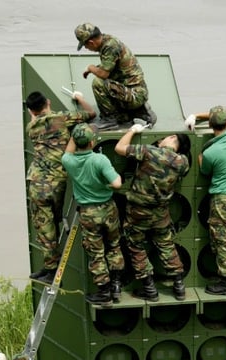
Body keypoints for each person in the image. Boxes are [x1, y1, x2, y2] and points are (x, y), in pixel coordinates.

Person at [25, 90, 96, 284]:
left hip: (38, 182)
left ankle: (50, 268)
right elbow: (91, 114)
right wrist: (79, 97)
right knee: (53, 222)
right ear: (48, 102)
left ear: (31, 111)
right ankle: (50, 267)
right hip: (58, 181)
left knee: (44, 226)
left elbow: (39, 119)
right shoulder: (63, 118)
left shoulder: (31, 128)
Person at [114, 124, 191, 301]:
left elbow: (119, 148)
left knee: (135, 246)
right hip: (160, 213)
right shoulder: (182, 162)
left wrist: (133, 130)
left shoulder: (148, 152)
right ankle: (179, 285)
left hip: (137, 212)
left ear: (172, 137)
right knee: (166, 245)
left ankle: (149, 288)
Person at [185, 106, 226, 297]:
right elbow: (222, 116)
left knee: (223, 241)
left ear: (210, 124)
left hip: (222, 200)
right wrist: (199, 115)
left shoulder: (211, 152)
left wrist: (199, 157)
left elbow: (205, 171)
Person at [62, 123, 125, 306]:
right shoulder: (100, 160)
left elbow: (69, 149)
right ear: (92, 143)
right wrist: (106, 186)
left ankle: (103, 292)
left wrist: (76, 134)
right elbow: (117, 184)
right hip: (108, 209)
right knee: (114, 246)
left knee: (96, 253)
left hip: (88, 213)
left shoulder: (68, 161)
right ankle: (116, 286)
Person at [74, 23, 156, 130]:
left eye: (85, 45)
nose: (86, 48)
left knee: (98, 83)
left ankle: (109, 120)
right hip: (135, 91)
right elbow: (111, 67)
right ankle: (139, 112)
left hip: (135, 94)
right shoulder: (107, 40)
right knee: (121, 117)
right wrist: (95, 69)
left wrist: (91, 68)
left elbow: (103, 74)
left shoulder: (109, 47)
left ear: (91, 42)